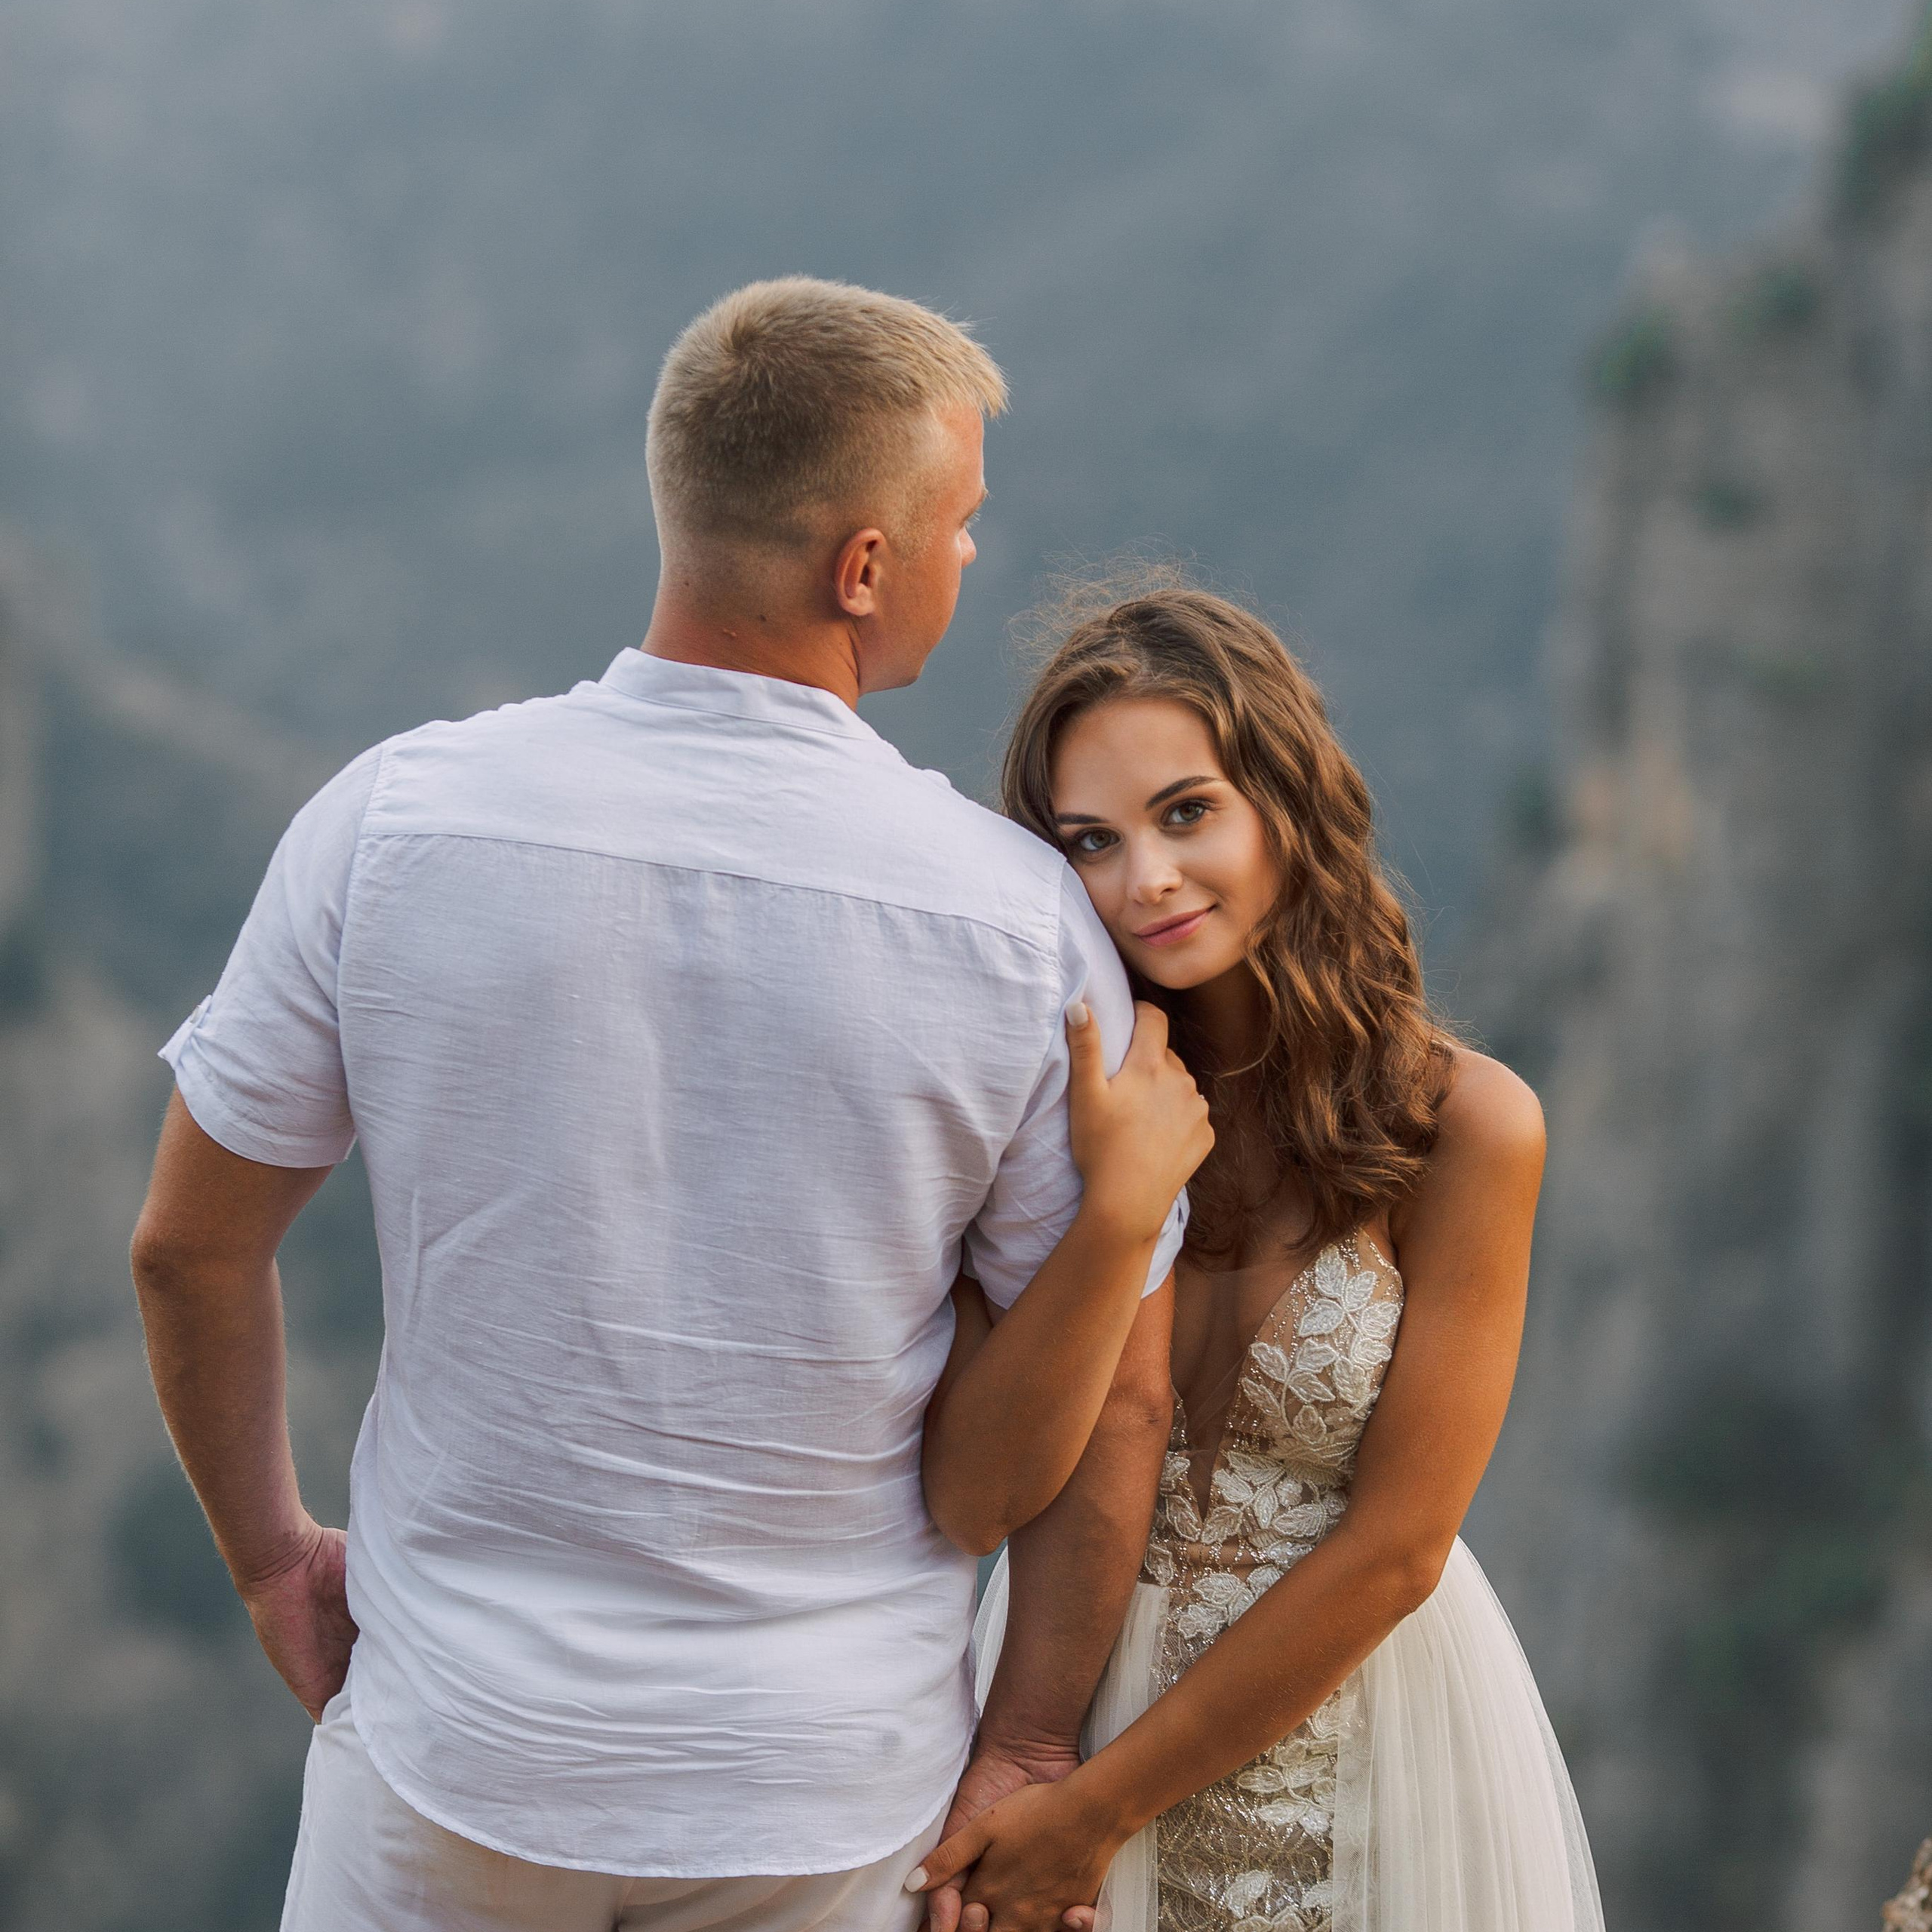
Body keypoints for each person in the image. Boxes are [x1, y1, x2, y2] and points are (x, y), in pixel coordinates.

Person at [127, 279, 1209, 1932]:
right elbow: (1116, 1398)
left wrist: (275, 1559)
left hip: (455, 1758)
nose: (968, 557)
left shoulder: (394, 819)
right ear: (861, 566)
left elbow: (189, 1252)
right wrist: (1027, 1746)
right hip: (824, 1790)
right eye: (959, 524)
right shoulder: (1016, 922)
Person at [912, 583, 1604, 1932]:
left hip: (1374, 1740)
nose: (1146, 880)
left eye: (1186, 814)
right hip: (1066, 1689)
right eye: (1092, 842)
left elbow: (1402, 1546)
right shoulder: (1057, 1118)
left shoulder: (1464, 1127)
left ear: (1285, 802)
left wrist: (1097, 1806)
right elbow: (974, 1493)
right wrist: (1115, 1206)